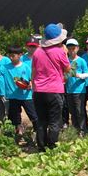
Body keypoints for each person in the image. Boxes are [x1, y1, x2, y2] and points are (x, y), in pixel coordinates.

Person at [32, 23, 71, 151]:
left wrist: (34, 86)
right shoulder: (59, 52)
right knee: (55, 121)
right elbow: (67, 69)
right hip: (54, 90)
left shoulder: (37, 52)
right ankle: (51, 146)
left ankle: (41, 146)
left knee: (41, 120)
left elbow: (33, 71)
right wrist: (65, 54)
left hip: (38, 91)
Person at [0, 45, 39, 136]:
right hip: (13, 96)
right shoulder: (5, 67)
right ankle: (18, 133)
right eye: (10, 55)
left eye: (13, 55)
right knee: (15, 116)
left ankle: (38, 132)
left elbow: (33, 79)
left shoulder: (26, 67)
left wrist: (30, 84)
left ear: (20, 55)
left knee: (33, 115)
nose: (11, 57)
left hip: (26, 95)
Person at [65, 38, 88, 135]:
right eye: (69, 49)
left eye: (73, 48)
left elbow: (87, 73)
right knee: (72, 110)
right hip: (69, 89)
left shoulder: (81, 61)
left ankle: (83, 129)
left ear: (77, 48)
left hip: (79, 90)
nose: (71, 51)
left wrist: (79, 75)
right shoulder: (66, 61)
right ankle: (75, 129)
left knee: (79, 110)